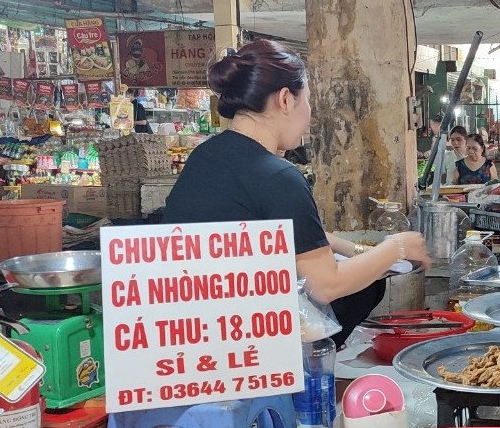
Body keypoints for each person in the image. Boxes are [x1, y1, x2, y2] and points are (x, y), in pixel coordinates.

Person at [163, 40, 430, 306]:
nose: (310, 115)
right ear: (285, 99)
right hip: (254, 331)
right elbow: (325, 285)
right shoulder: (278, 177)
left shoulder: (205, 156)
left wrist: (357, 250)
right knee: (362, 291)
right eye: (308, 100)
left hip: (199, 321)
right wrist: (398, 246)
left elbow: (293, 234)